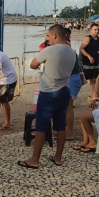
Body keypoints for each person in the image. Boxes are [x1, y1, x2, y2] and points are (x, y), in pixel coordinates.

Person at [19, 25, 75, 168]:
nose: (47, 38)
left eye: (48, 36)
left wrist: (43, 63)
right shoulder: (72, 51)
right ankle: (58, 157)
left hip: (49, 91)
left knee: (41, 126)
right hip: (65, 91)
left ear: (55, 35)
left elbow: (32, 65)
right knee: (60, 125)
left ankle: (35, 159)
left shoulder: (49, 50)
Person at [65, 28, 83, 141]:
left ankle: (69, 132)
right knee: (66, 106)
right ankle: (64, 130)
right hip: (73, 78)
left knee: (68, 106)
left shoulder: (67, 51)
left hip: (72, 79)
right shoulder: (70, 51)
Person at [79, 23, 99, 100]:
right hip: (86, 63)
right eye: (95, 30)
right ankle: (72, 97)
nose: (97, 31)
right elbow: (81, 49)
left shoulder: (98, 39)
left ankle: (94, 96)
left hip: (95, 62)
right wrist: (89, 56)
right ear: (91, 30)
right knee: (81, 80)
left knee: (94, 79)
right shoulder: (88, 38)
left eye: (98, 30)